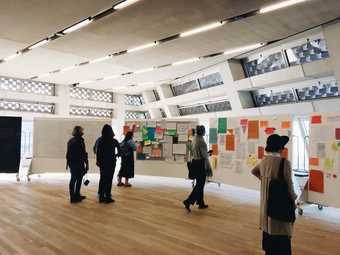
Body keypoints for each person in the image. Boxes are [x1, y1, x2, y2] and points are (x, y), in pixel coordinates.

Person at [251, 134, 297, 255]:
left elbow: (254, 171)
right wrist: (294, 199)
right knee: (282, 241)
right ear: (280, 148)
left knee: (269, 245)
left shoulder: (264, 161)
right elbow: (289, 185)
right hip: (278, 207)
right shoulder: (284, 163)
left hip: (265, 209)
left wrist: (265, 181)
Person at [183, 125, 211, 212]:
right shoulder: (201, 141)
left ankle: (201, 203)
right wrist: (209, 154)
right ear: (202, 131)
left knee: (200, 184)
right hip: (200, 164)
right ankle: (188, 201)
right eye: (204, 130)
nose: (205, 131)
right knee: (200, 185)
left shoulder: (194, 139)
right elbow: (204, 155)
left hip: (195, 162)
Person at [96, 124, 121, 203]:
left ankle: (101, 196)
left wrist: (98, 161)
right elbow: (120, 151)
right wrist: (116, 155)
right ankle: (107, 195)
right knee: (109, 178)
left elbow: (98, 152)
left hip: (102, 162)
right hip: (111, 161)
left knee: (103, 178)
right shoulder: (114, 141)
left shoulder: (100, 140)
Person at [66, 126, 89, 203]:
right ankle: (74, 196)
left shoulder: (70, 140)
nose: (83, 131)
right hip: (78, 163)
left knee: (75, 179)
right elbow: (83, 153)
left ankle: (75, 195)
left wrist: (68, 163)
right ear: (79, 132)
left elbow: (68, 154)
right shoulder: (80, 141)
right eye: (82, 130)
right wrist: (86, 163)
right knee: (77, 179)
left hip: (73, 163)